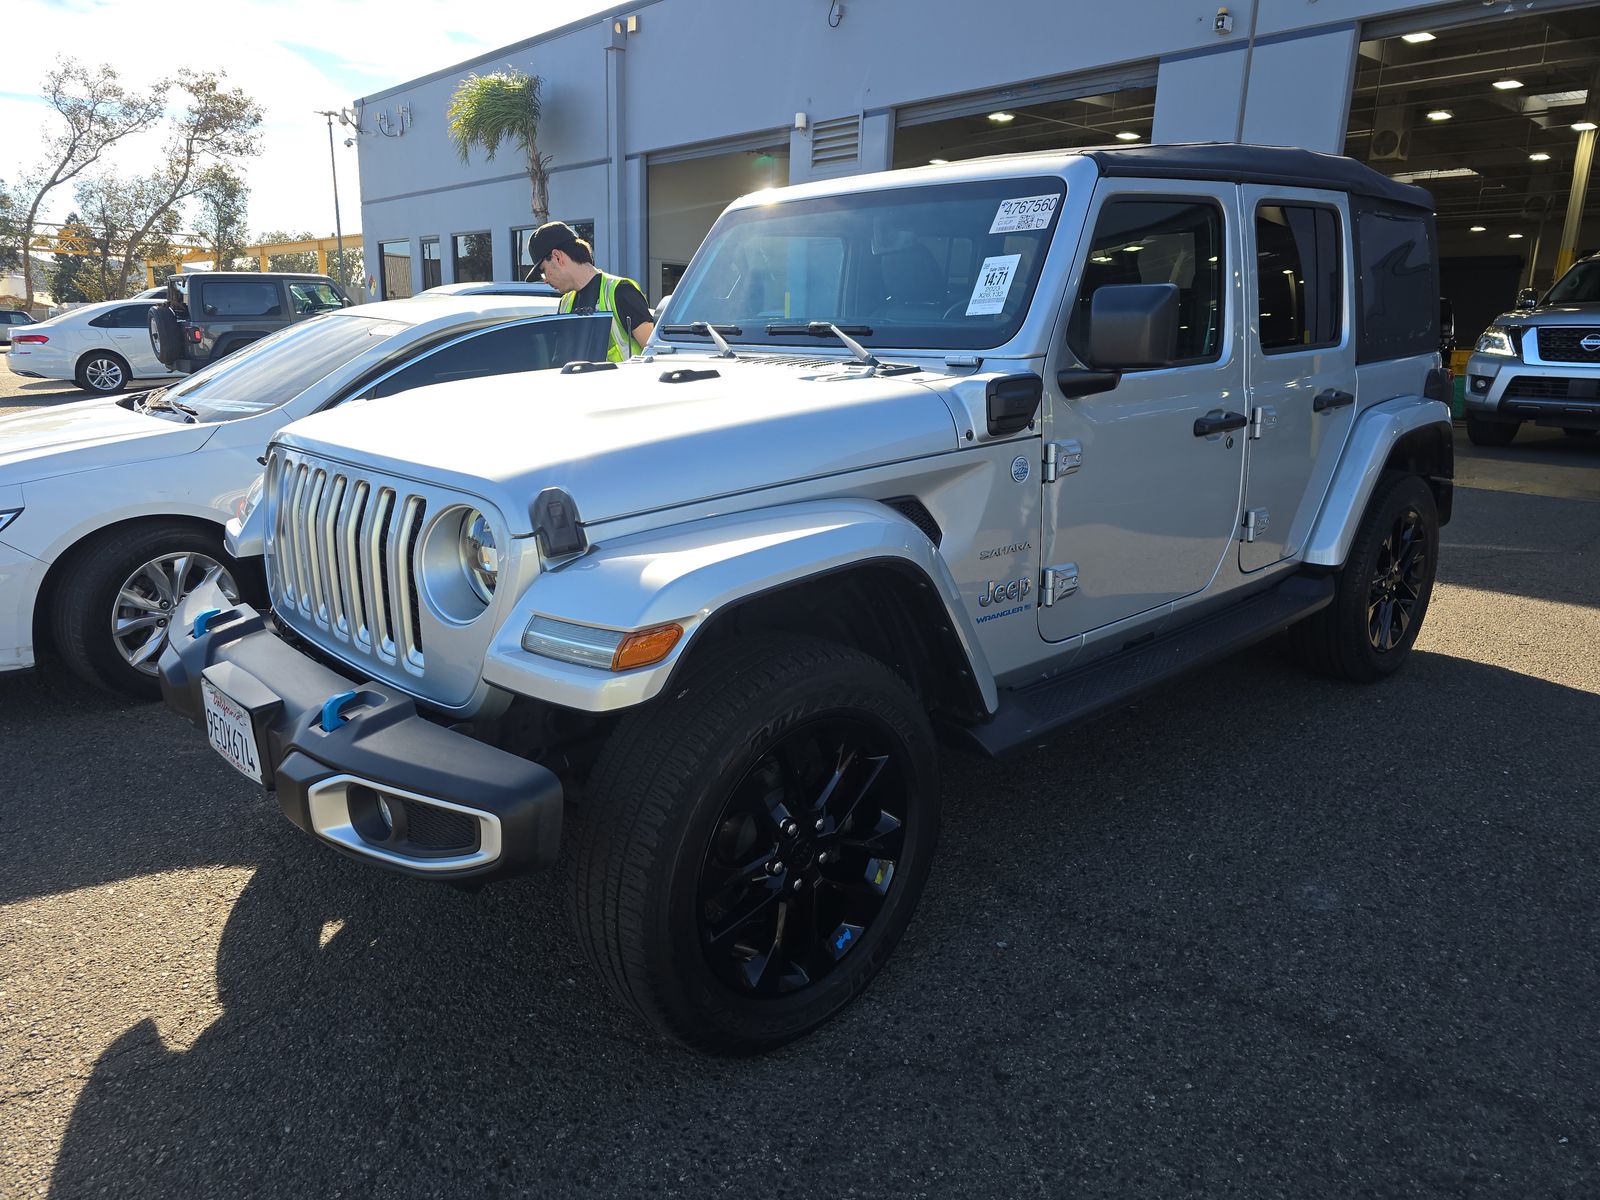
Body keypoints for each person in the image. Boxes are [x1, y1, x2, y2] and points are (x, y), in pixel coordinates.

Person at [525, 221, 655, 361]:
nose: (545, 280)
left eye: (543, 271)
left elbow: (656, 354)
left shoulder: (620, 291)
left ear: (557, 257)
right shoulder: (565, 303)